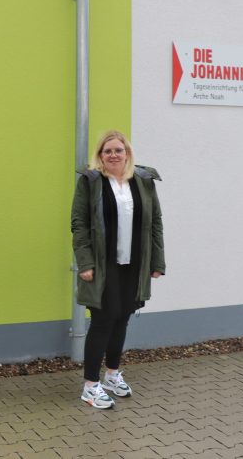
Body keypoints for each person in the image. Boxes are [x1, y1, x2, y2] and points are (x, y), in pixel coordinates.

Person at [70, 130, 165, 409]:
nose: (113, 155)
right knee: (102, 319)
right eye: (107, 151)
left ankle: (112, 374)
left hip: (134, 263)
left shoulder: (143, 181)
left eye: (118, 150)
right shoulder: (91, 182)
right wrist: (85, 262)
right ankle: (90, 386)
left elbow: (155, 223)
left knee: (122, 317)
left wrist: (156, 262)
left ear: (127, 154)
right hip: (103, 264)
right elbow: (79, 224)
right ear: (100, 156)